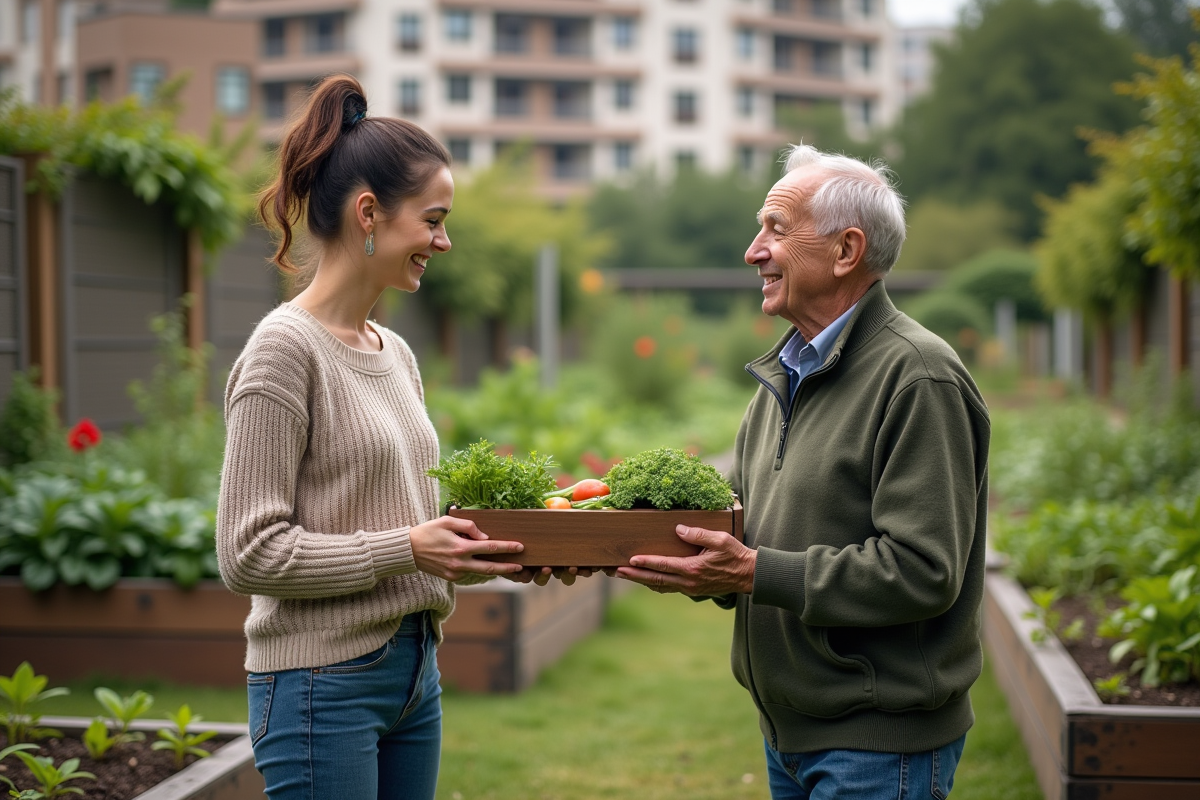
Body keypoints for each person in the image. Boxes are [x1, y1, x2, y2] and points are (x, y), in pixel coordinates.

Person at [616, 144, 991, 800]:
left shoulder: (917, 376)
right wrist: (683, 563)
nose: (752, 251)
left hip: (877, 743)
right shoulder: (786, 375)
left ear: (846, 251)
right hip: (792, 733)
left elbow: (924, 570)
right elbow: (754, 535)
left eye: (776, 230)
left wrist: (755, 571)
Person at [216, 75, 534, 800]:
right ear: (369, 213)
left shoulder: (395, 353)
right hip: (318, 686)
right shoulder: (283, 351)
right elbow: (247, 552)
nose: (443, 241)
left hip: (414, 675)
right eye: (433, 219)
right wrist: (409, 546)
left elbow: (413, 539)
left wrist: (512, 553)